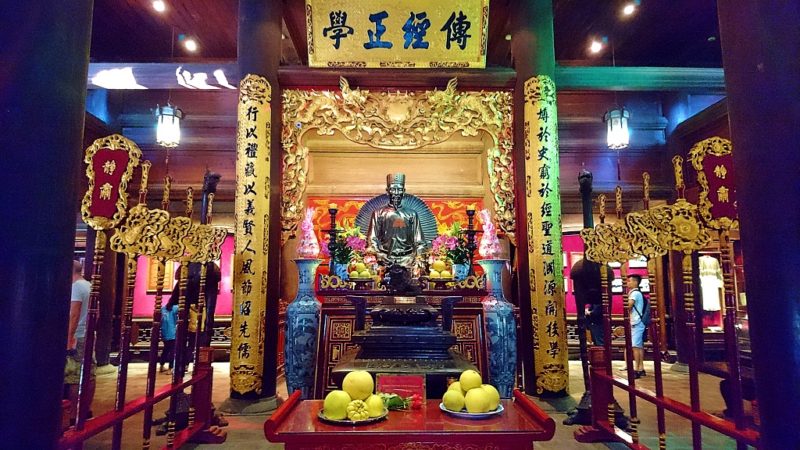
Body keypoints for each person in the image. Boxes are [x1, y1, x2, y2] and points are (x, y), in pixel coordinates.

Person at [365, 173, 427, 273]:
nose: (396, 193)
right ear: (387, 191)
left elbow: (419, 241)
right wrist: (379, 255)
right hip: (385, 259)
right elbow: (372, 239)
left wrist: (418, 257)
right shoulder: (378, 213)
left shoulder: (412, 214)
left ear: (404, 191)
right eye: (393, 189)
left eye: (400, 189)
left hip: (408, 259)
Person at [65, 260, 95, 424]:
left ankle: (73, 414)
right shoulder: (88, 285)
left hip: (77, 335)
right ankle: (86, 408)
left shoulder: (76, 287)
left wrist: (70, 336)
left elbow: (74, 314)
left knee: (74, 376)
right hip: (87, 333)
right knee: (89, 372)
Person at [627, 274, 646, 378]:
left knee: (636, 346)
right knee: (639, 346)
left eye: (630, 281)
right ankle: (641, 368)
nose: (628, 283)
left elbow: (629, 305)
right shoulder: (638, 293)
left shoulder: (634, 293)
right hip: (638, 322)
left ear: (635, 282)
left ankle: (636, 369)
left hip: (636, 322)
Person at [160, 293, 179, 373]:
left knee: (165, 350)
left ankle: (161, 365)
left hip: (164, 333)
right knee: (172, 351)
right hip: (172, 333)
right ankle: (171, 368)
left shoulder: (162, 309)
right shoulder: (174, 308)